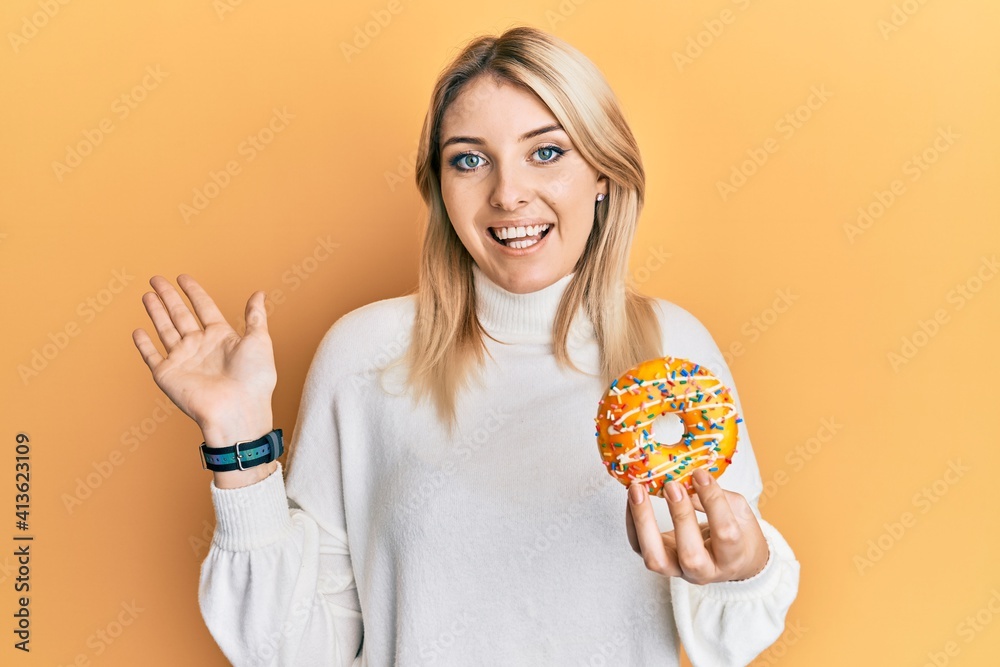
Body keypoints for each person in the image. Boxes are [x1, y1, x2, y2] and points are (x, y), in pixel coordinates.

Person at [132, 25, 799, 667]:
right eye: (470, 159)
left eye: (546, 151)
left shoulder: (671, 349)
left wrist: (743, 570)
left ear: (602, 172)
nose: (508, 193)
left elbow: (732, 636)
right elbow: (295, 652)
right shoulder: (365, 354)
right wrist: (240, 446)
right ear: (441, 188)